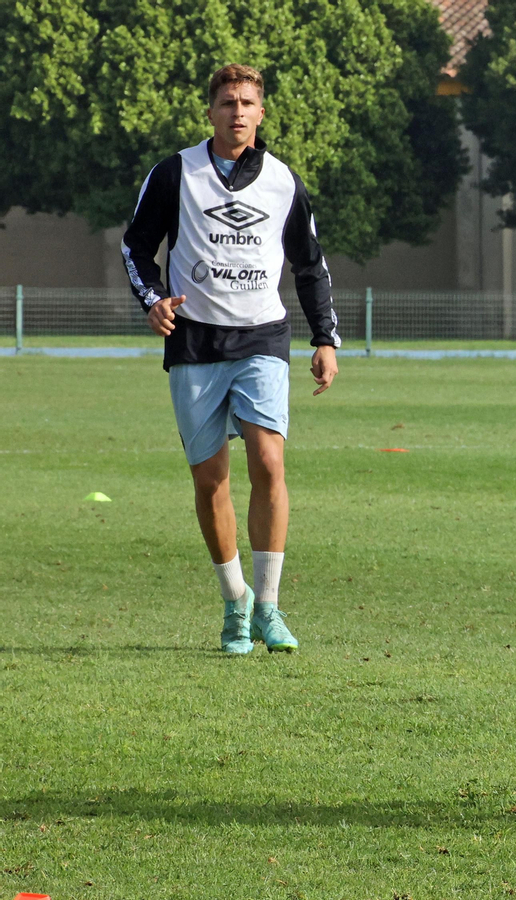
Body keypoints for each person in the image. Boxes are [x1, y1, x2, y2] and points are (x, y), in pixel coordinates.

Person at [122, 64, 339, 655]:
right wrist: (152, 300)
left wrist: (324, 339)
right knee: (210, 479)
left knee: (269, 461)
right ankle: (234, 601)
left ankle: (269, 606)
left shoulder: (283, 181)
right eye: (226, 102)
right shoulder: (175, 173)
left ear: (261, 113)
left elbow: (310, 264)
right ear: (210, 110)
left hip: (262, 337)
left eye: (247, 102)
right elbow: (136, 245)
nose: (237, 111)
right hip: (194, 341)